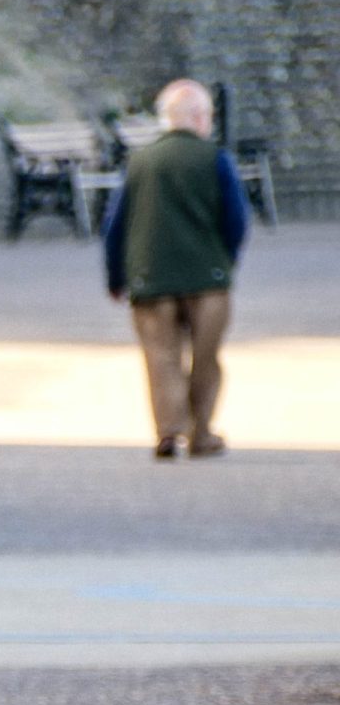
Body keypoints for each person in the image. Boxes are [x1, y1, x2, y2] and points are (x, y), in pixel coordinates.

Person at [103, 79, 249, 460]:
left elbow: (114, 225)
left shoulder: (139, 161)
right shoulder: (214, 158)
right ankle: (201, 433)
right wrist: (224, 261)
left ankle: (168, 432)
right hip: (208, 279)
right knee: (206, 358)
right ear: (200, 116)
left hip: (150, 278)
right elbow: (236, 219)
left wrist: (115, 277)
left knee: (161, 356)